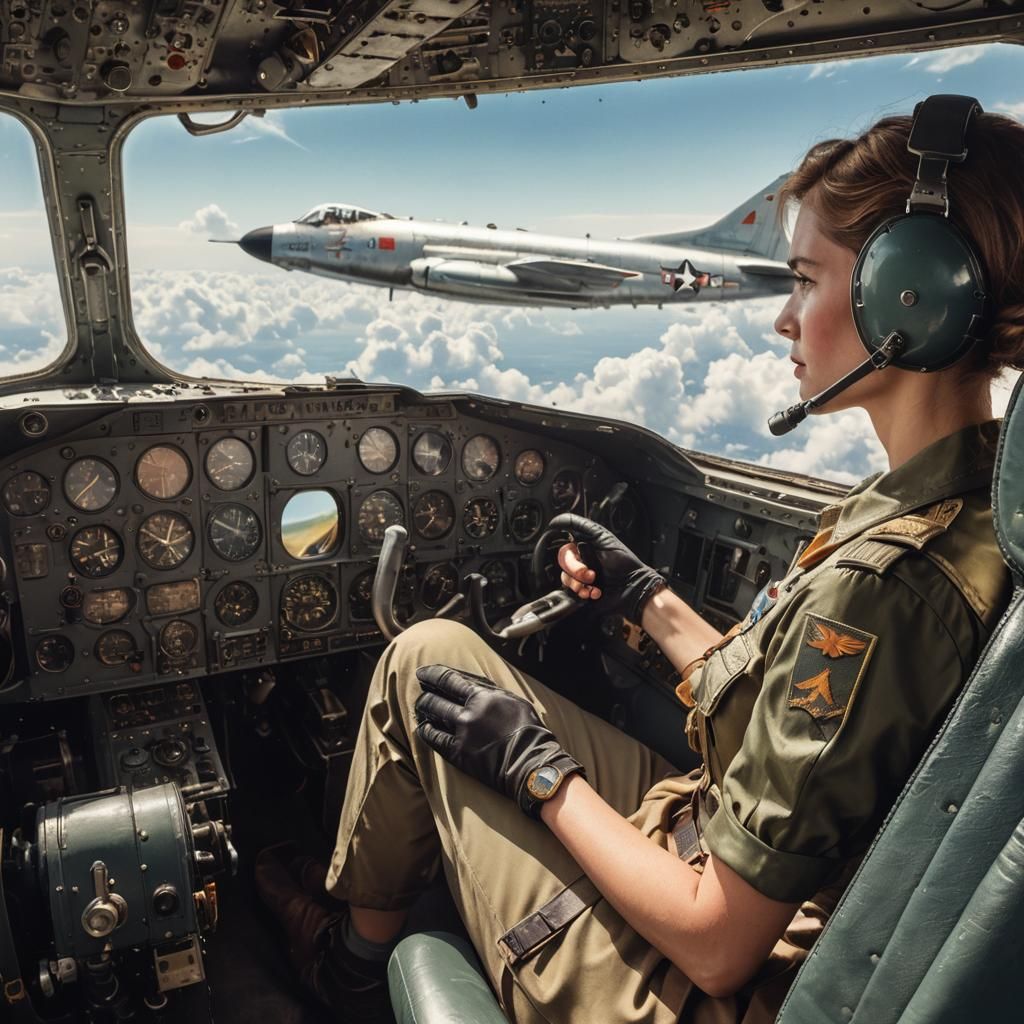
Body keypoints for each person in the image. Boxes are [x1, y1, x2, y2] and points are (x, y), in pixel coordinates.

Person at [255, 104, 1024, 1023]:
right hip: (714, 827)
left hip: (699, 977)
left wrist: (540, 771)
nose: (782, 319)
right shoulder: (961, 506)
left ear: (910, 302)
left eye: (807, 281)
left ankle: (347, 961)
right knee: (441, 655)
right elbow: (784, 717)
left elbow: (716, 943)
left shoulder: (887, 584)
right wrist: (646, 594)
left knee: (421, 663)